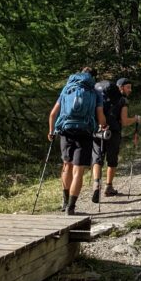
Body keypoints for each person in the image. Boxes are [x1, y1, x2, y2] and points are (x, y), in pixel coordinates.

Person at [48, 66, 107, 215]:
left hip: (66, 131)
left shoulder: (67, 88)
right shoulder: (95, 92)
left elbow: (53, 113)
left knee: (66, 165)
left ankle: (65, 200)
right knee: (78, 170)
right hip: (85, 132)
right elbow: (100, 116)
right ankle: (71, 208)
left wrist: (51, 131)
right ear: (94, 78)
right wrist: (104, 126)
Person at [91, 76, 141, 202]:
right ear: (120, 87)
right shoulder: (123, 101)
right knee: (112, 160)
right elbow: (124, 121)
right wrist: (135, 119)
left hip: (99, 130)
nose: (130, 90)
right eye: (128, 87)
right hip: (114, 132)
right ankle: (109, 187)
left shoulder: (100, 97)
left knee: (97, 158)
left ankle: (96, 184)